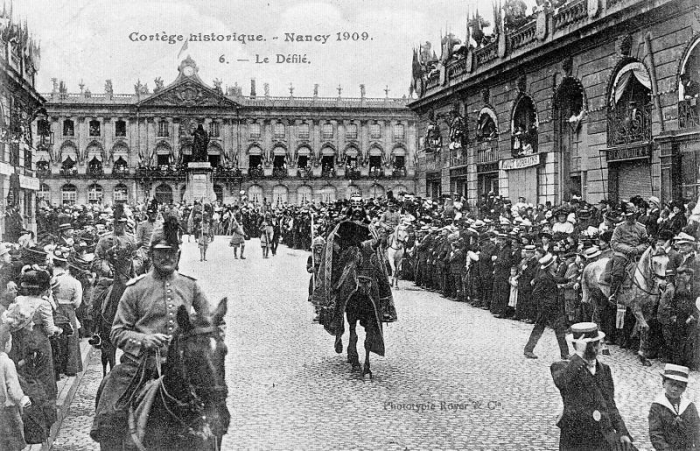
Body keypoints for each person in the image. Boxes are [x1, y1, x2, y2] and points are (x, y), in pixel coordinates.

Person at [91, 217, 211, 450]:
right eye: (161, 252)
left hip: (184, 365)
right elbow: (117, 332)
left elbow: (212, 321)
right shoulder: (136, 289)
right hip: (140, 365)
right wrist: (144, 340)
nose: (166, 257)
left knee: (213, 410)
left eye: (172, 252)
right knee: (111, 407)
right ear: (152, 255)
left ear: (178, 255)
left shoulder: (191, 286)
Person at [551, 322, 633, 451]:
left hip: (602, 433)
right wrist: (579, 355)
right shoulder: (562, 367)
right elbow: (562, 383)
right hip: (576, 436)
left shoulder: (605, 369)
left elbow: (610, 403)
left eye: (599, 344)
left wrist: (622, 431)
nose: (599, 348)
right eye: (594, 345)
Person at [523, 253, 570, 360]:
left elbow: (557, 279)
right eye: (555, 263)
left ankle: (564, 353)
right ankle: (528, 350)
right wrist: (543, 305)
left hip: (551, 308)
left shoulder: (550, 275)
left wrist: (568, 279)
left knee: (557, 329)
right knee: (541, 328)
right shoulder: (544, 278)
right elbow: (535, 293)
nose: (556, 264)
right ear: (551, 265)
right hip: (546, 308)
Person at [648, 364, 700, 450]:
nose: (675, 389)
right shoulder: (657, 406)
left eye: (680, 386)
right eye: (671, 384)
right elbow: (655, 433)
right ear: (663, 383)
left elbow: (697, 430)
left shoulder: (689, 406)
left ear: (684, 388)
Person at [50, 247, 83, 377]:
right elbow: (77, 302)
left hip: (54, 309)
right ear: (66, 264)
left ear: (53, 262)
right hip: (69, 310)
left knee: (57, 339)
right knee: (70, 338)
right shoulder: (74, 282)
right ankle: (70, 367)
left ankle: (58, 368)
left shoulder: (51, 279)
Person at [609, 202, 649, 303]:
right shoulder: (619, 227)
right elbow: (614, 243)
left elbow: (646, 243)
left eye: (631, 216)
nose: (629, 219)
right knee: (618, 270)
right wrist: (628, 249)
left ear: (635, 215)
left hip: (638, 253)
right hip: (622, 254)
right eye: (627, 217)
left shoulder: (641, 228)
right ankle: (614, 293)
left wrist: (637, 249)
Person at [0, 324, 31, 451]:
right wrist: (23, 399)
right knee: (13, 441)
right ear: (7, 344)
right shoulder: (7, 363)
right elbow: (13, 389)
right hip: (8, 408)